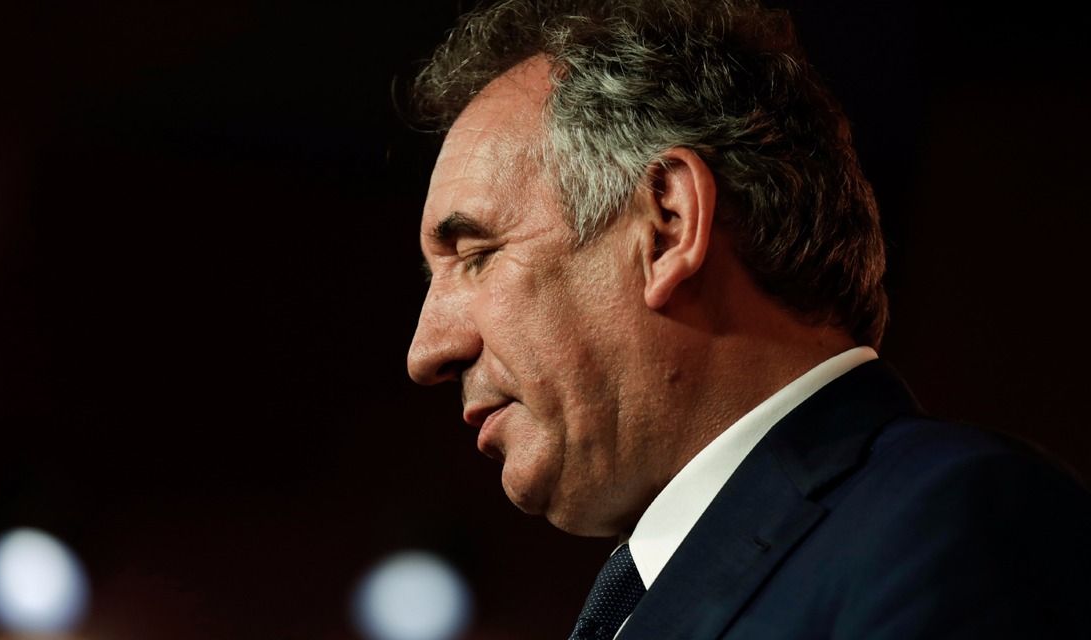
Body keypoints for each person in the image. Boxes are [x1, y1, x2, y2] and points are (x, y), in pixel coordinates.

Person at [403, 0, 1091, 638]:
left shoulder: (953, 524)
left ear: (668, 226)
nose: (426, 351)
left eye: (477, 255)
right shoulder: (656, 589)